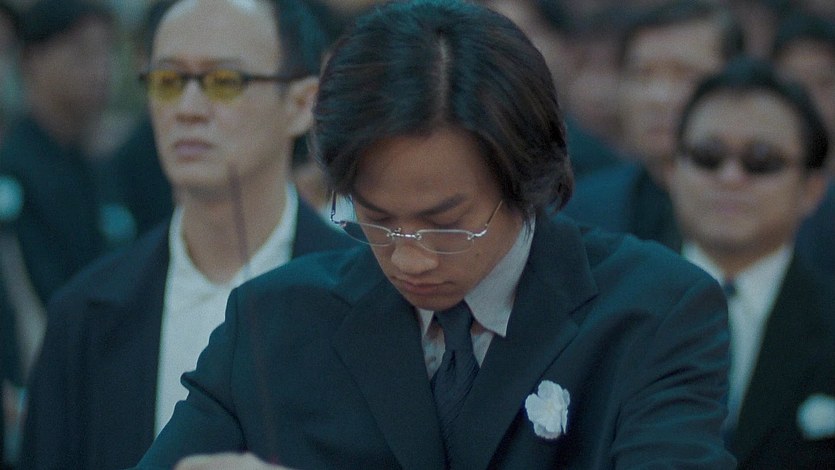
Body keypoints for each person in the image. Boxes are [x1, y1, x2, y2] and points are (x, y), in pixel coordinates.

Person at [137, 1, 734, 468]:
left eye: (447, 224)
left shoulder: (652, 313)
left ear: (526, 180)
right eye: (376, 219)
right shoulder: (274, 322)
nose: (409, 258)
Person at [20, 1, 355, 469]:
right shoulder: (85, 315)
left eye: (224, 82)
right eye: (168, 81)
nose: (188, 109)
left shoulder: (366, 295)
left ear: (301, 104)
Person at [666, 56, 835, 469]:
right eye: (707, 156)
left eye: (760, 160)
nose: (730, 177)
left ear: (812, 189)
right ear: (673, 172)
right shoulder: (613, 304)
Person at [562, 0, 744, 249]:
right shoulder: (582, 209)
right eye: (642, 74)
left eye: (687, 75)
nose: (658, 97)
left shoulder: (772, 208)